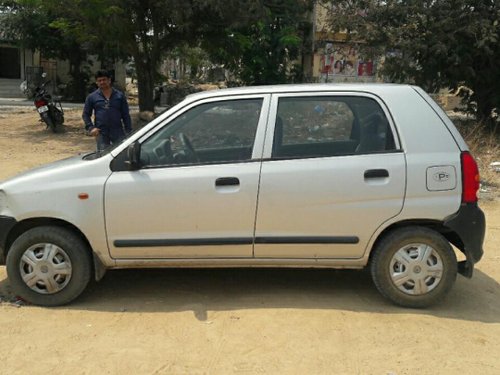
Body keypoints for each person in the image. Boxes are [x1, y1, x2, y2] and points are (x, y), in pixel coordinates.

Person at [82, 70, 132, 151]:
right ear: (97, 82)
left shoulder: (119, 96)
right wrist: (91, 128)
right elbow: (86, 114)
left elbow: (125, 114)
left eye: (104, 80)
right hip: (101, 132)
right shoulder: (92, 97)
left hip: (118, 131)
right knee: (103, 155)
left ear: (109, 80)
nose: (102, 82)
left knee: (120, 154)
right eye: (99, 80)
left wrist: (128, 131)